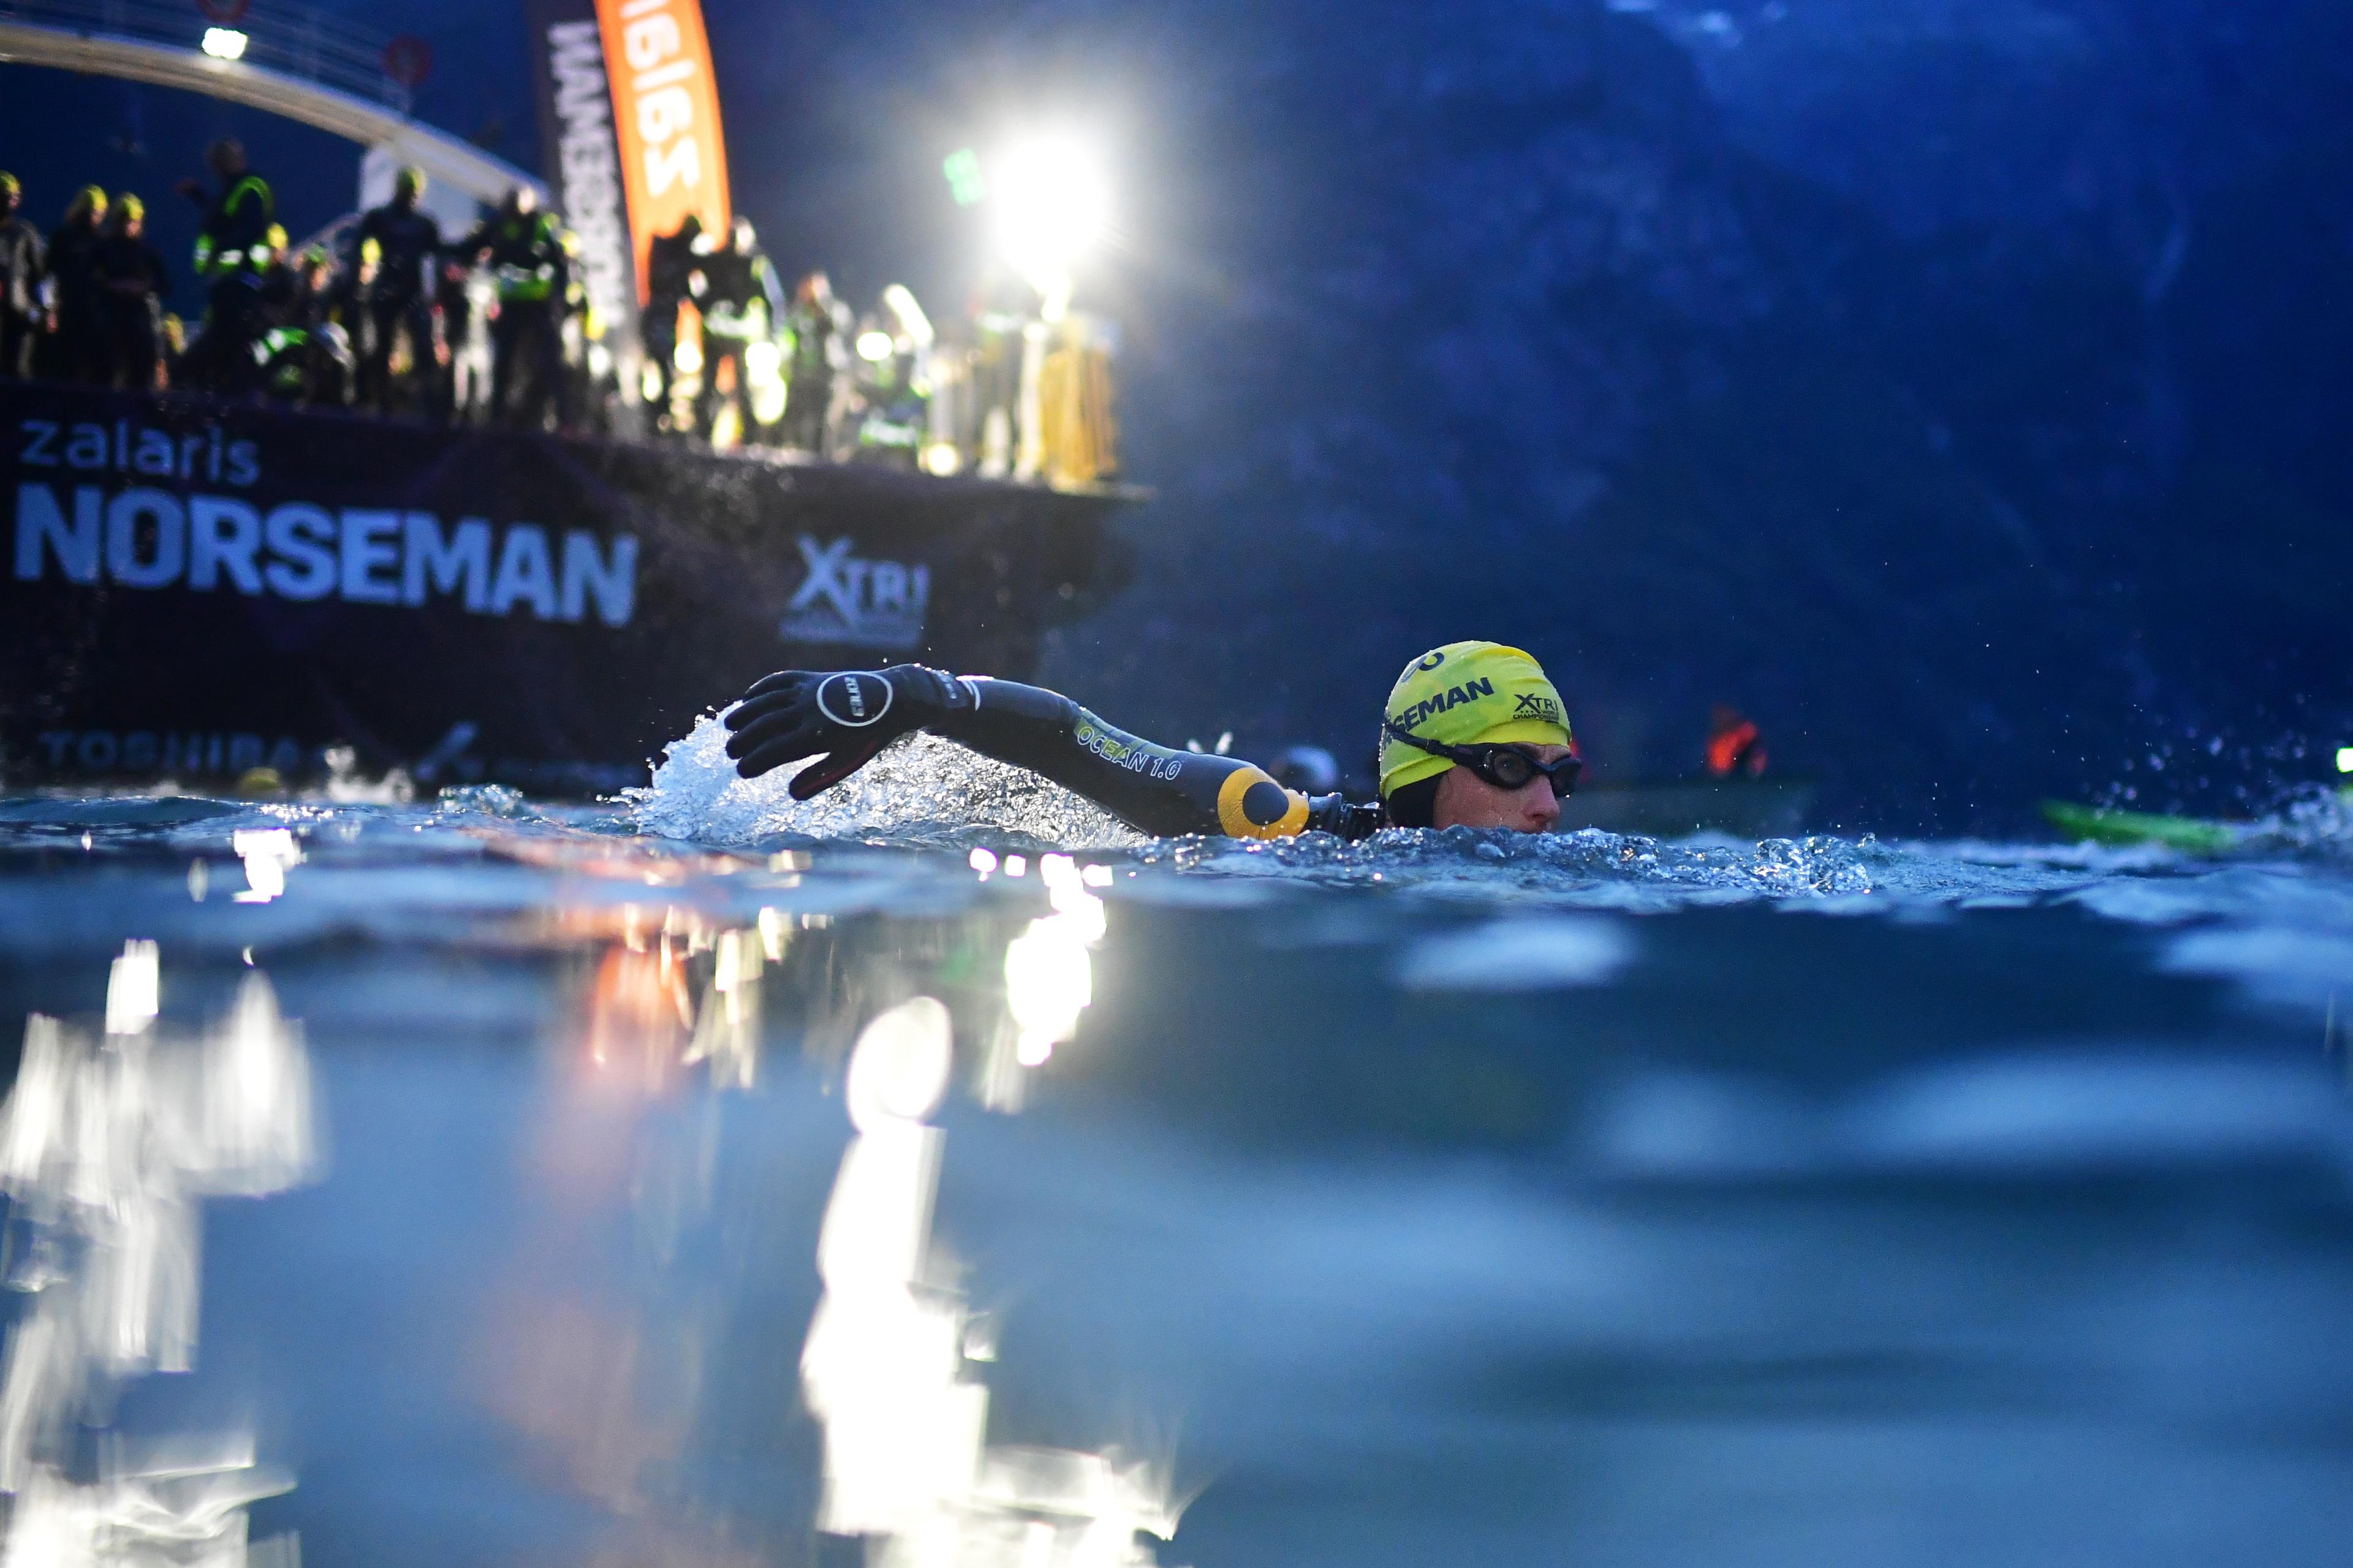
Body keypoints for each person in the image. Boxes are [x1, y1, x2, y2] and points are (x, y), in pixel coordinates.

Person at [719, 641, 1578, 840]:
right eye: (1510, 768)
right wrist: (928, 695)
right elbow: (1084, 739)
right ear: (1426, 778)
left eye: (1558, 778)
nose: (1546, 805)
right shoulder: (1289, 827)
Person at [463, 186, 569, 430]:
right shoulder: (500, 226)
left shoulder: (542, 227)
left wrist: (558, 298)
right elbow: (473, 247)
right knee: (505, 362)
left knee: (550, 363)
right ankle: (498, 417)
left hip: (538, 306)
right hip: (511, 306)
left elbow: (560, 263)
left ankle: (562, 419)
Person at [183, 140, 274, 394]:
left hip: (240, 283)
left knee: (231, 347)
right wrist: (198, 195)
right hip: (228, 283)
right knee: (223, 346)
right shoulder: (232, 189)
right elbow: (223, 215)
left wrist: (220, 249)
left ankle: (234, 404)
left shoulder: (249, 187)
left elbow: (242, 227)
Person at [354, 167, 442, 415]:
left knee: (420, 350)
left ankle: (423, 405)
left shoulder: (422, 224)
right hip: (390, 293)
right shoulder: (385, 219)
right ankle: (384, 404)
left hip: (407, 294)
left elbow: (441, 258)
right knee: (383, 349)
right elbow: (359, 247)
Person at [694, 216, 780, 442]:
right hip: (717, 335)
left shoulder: (756, 264)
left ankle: (749, 438)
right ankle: (704, 435)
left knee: (743, 388)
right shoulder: (715, 261)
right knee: (710, 386)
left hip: (742, 337)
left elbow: (773, 302)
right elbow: (701, 294)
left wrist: (773, 336)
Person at [91, 194, 170, 390]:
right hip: (109, 318)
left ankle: (137, 415)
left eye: (132, 221)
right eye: (123, 220)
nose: (127, 225)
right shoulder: (103, 248)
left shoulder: (148, 250)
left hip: (140, 320)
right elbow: (86, 279)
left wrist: (142, 288)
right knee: (106, 372)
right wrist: (111, 286)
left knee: (140, 374)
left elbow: (166, 284)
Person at [41, 186, 110, 384]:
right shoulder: (63, 237)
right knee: (68, 361)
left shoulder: (102, 241)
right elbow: (47, 275)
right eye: (91, 211)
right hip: (68, 308)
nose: (94, 216)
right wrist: (49, 309)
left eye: (97, 212)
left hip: (94, 312)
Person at [641, 213, 702, 426]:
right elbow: (659, 280)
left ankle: (661, 414)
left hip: (667, 317)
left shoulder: (682, 255)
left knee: (666, 367)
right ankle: (655, 414)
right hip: (658, 316)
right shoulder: (667, 250)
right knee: (659, 366)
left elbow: (691, 293)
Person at [782, 270, 851, 456]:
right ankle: (800, 453)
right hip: (804, 373)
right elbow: (789, 330)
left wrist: (821, 306)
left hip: (827, 373)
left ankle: (823, 458)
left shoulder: (835, 308)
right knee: (801, 415)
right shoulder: (799, 311)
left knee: (825, 418)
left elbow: (839, 326)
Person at [0, 173, 43, 379]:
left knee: (19, 367)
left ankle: (18, 410)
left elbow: (40, 273)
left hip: (19, 310)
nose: (10, 201)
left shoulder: (24, 231)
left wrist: (46, 308)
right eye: (5, 196)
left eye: (14, 196)